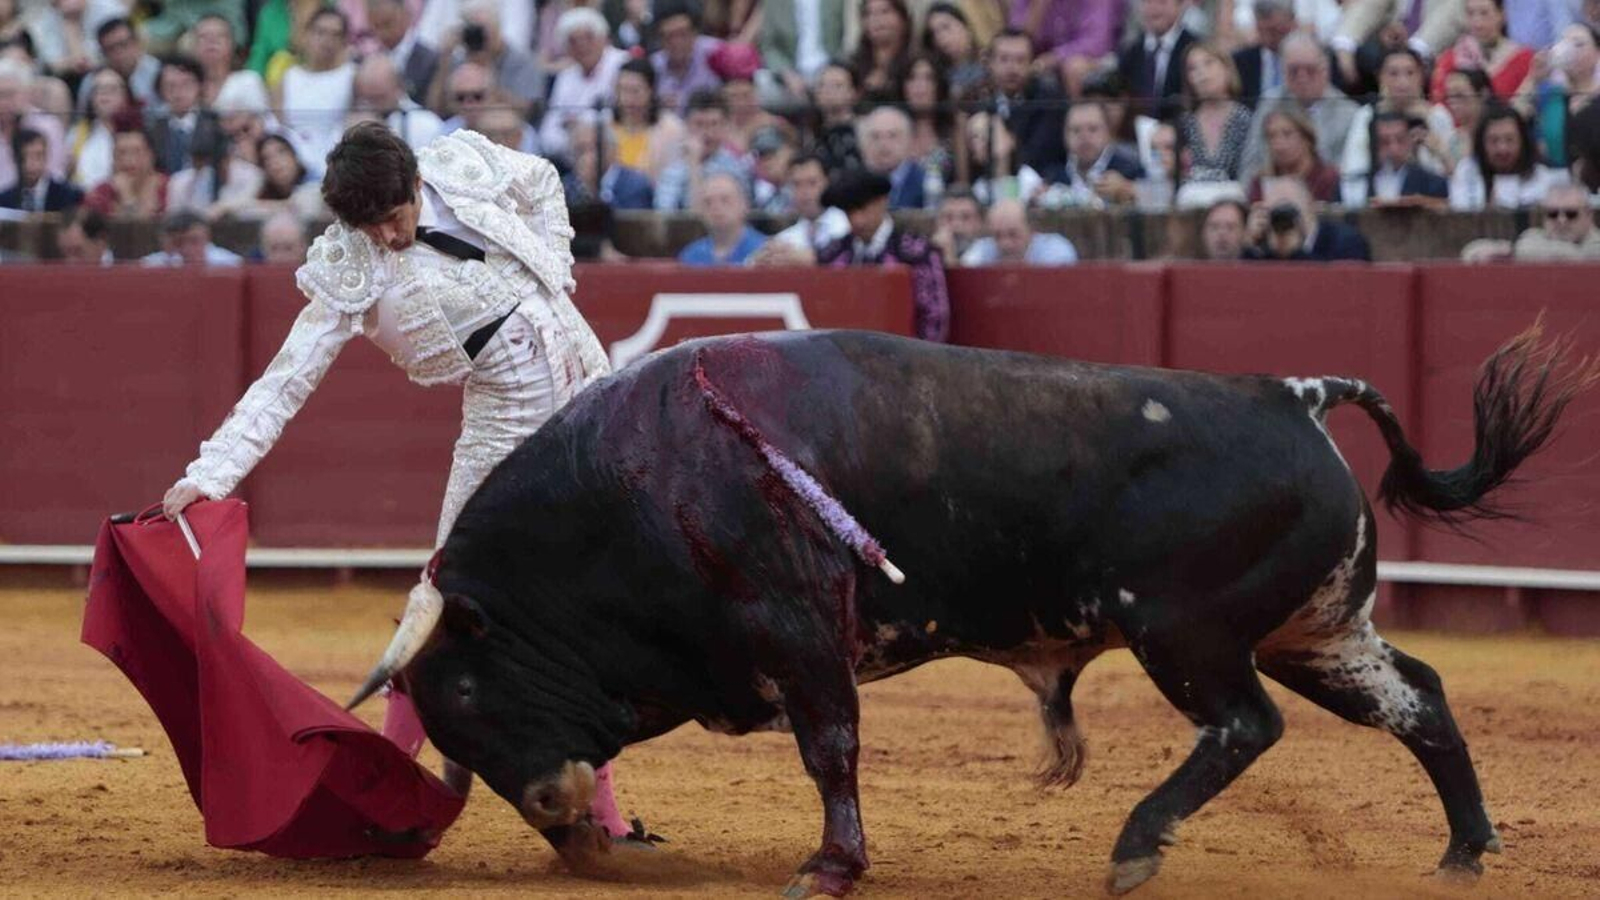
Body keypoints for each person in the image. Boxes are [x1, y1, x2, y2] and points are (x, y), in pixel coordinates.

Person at [160, 122, 630, 841]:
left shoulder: (460, 163)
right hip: (504, 422)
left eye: (392, 216)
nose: (385, 236)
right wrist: (211, 473)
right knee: (440, 603)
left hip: (589, 384)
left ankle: (605, 815)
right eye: (368, 227)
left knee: (601, 599)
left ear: (416, 182)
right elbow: (286, 378)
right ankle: (388, 788)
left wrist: (554, 270)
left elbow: (540, 179)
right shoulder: (351, 262)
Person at [816, 167, 949, 341]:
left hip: (903, 353)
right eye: (849, 212)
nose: (857, 220)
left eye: (863, 209)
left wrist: (917, 356)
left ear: (882, 201)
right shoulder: (833, 253)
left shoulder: (916, 252)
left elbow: (934, 316)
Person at [1239, 33, 1358, 184]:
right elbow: (1251, 164)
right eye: (1293, 71)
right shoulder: (1269, 104)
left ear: (1325, 70)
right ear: (1282, 71)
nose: (1302, 78)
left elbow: (1347, 173)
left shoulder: (1349, 113)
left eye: (1310, 70)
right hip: (1273, 191)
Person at [540, 7, 630, 161]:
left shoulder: (622, 64)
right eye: (573, 41)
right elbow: (548, 133)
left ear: (603, 38)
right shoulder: (566, 76)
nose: (582, 45)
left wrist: (574, 126)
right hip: (572, 158)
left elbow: (622, 117)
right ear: (566, 48)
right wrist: (575, 139)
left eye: (589, 37)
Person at [275, 8, 357, 167]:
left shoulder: (351, 75)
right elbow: (278, 125)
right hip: (294, 163)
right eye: (321, 32)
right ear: (306, 35)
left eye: (335, 35)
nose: (327, 41)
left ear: (344, 41)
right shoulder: (289, 77)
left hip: (336, 161)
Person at [980, 28, 1068, 172]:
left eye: (1020, 60)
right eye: (1004, 59)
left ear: (1032, 64)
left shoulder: (1048, 101)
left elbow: (1039, 156)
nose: (1012, 68)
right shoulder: (976, 99)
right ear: (990, 63)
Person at [1030, 100, 1145, 208]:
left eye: (1093, 129)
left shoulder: (1131, 169)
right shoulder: (1052, 176)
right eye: (1076, 130)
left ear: (1109, 133)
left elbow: (1153, 199)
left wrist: (1129, 190)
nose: (1084, 137)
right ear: (1064, 135)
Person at [1449, 104, 1564, 210]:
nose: (1502, 148)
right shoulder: (1467, 170)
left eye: (1509, 140)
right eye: (1494, 140)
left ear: (1522, 141)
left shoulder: (1545, 177)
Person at [654, 88, 753, 210]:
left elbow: (737, 213)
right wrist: (693, 163)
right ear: (687, 126)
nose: (707, 133)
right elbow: (666, 213)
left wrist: (695, 165)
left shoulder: (737, 168)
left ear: (725, 126)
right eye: (699, 124)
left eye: (714, 124)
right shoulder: (673, 169)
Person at [1177, 42, 1254, 191]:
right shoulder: (1184, 124)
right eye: (1192, 68)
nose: (1201, 73)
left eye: (1209, 63)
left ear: (1227, 69)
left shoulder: (1246, 119)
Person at [1008, 0, 1121, 97]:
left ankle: (1078, 114)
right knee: (1011, 62)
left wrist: (1053, 58)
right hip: (1041, 62)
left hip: (1101, 59)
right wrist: (1038, 6)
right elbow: (1015, 40)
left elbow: (1096, 43)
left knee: (1074, 67)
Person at [758, 0, 859, 108]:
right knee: (762, 88)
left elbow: (848, 37)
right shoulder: (774, 2)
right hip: (790, 72)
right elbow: (769, 45)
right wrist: (787, 74)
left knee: (838, 88)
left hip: (831, 67)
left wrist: (833, 71)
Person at [1245, 174, 1371, 260]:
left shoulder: (1345, 242)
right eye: (1276, 211)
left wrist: (1295, 253)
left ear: (1310, 207)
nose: (1283, 218)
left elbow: (1333, 285)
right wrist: (1249, 245)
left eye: (1288, 208)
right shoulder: (1264, 249)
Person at [1430, 0, 1535, 102]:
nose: (1477, 23)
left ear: (1502, 15)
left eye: (1484, 13)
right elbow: (1438, 100)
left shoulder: (1523, 58)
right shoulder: (1450, 59)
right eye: (1470, 13)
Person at [611, 57, 686, 182]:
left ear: (651, 91)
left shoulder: (671, 129)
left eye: (635, 91)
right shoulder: (604, 125)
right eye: (622, 90)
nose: (627, 99)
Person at [763, 152, 850, 258]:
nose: (805, 192)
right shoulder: (784, 240)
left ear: (828, 183)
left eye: (812, 183)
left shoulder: (848, 228)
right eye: (797, 184)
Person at [1117, 0, 1199, 111]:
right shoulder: (1130, 51)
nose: (1153, 8)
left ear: (1180, 6)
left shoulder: (1194, 49)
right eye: (1147, 1)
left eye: (1161, 2)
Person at [0, 57, 68, 190]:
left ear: (27, 94)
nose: (3, 102)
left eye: (9, 94)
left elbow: (55, 177)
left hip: (36, 200)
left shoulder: (47, 126)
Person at [351, 54, 445, 149]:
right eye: (366, 99)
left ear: (399, 88)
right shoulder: (351, 122)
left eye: (379, 98)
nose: (372, 106)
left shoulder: (426, 125)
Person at [1247, 105, 1339, 202]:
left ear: (1307, 139)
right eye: (1271, 136)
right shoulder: (1261, 182)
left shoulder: (1328, 179)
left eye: (1287, 134)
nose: (1279, 145)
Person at [83, 113, 167, 217]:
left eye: (137, 152)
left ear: (151, 155)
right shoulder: (101, 193)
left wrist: (128, 201)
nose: (129, 161)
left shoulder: (170, 189)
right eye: (121, 153)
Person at [677, 170, 768, 265]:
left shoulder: (765, 251)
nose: (716, 207)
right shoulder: (691, 256)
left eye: (725, 200)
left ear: (744, 204)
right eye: (707, 202)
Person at [652, 0, 724, 115]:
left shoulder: (717, 53)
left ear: (695, 32)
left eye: (683, 34)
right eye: (669, 36)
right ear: (659, 38)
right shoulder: (653, 66)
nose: (677, 42)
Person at [1366, 110, 1450, 206]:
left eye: (1400, 140)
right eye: (1384, 142)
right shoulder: (1359, 183)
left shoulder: (1433, 183)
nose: (1394, 148)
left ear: (1410, 140)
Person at [960, 198, 1078, 265]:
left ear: (1031, 230)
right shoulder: (982, 249)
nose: (1005, 243)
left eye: (1013, 234)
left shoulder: (1055, 249)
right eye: (997, 236)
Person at [366, 0, 438, 105]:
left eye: (387, 24)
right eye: (376, 27)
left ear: (406, 17)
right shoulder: (368, 59)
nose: (382, 33)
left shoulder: (429, 60)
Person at [69, 66, 130, 188]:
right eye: (98, 89)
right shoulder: (77, 134)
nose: (104, 94)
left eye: (112, 89)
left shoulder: (136, 134)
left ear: (125, 96)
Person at [857, 104, 927, 210]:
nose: (883, 144)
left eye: (892, 135)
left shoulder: (926, 183)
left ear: (910, 141)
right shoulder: (853, 185)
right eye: (875, 136)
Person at [1, 127, 83, 210]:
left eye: (38, 156)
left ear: (46, 156)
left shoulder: (68, 195)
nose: (31, 163)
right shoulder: (4, 201)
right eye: (23, 156)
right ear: (14, 158)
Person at [1232, 0, 1296, 104]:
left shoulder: (1309, 58)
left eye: (1275, 30)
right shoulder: (1240, 62)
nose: (1269, 37)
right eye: (1263, 30)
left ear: (1292, 23)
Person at [922, 2, 985, 99]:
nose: (940, 37)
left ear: (965, 26)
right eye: (934, 33)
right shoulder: (938, 76)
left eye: (945, 27)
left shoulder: (990, 60)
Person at [91, 17, 159, 106]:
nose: (119, 53)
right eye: (110, 48)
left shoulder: (158, 73)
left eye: (123, 44)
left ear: (137, 42)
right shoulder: (94, 80)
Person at [811, 61, 864, 175]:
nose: (828, 91)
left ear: (854, 92)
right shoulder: (810, 135)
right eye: (821, 85)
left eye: (837, 85)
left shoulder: (866, 132)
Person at [141, 208, 245, 266]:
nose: (187, 249)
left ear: (207, 238)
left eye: (194, 241)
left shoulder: (230, 264)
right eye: (178, 243)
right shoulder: (150, 265)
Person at [852, 0, 912, 100]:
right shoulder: (853, 65)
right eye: (869, 13)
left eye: (885, 11)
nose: (876, 19)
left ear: (903, 19)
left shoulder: (917, 62)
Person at [929, 185, 983, 262]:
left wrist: (948, 256)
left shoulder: (990, 253)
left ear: (979, 222)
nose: (957, 225)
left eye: (966, 217)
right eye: (949, 218)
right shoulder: (921, 253)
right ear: (937, 222)